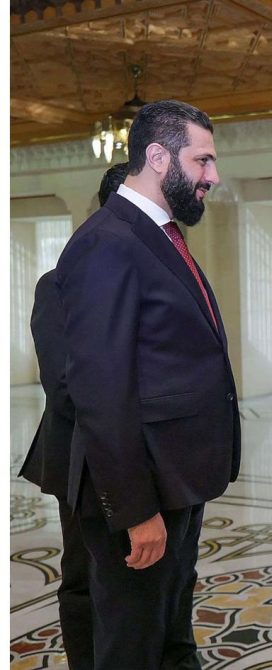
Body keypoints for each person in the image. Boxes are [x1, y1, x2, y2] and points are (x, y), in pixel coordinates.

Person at [56, 100, 241, 669]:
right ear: (158, 157)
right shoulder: (106, 242)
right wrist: (136, 512)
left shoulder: (158, 234)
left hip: (174, 482)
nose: (213, 176)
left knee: (170, 638)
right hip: (143, 496)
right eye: (202, 160)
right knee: (133, 649)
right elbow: (100, 393)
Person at [18, 160, 131, 670]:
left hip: (142, 456)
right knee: (85, 574)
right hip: (81, 455)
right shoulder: (59, 282)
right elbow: (64, 386)